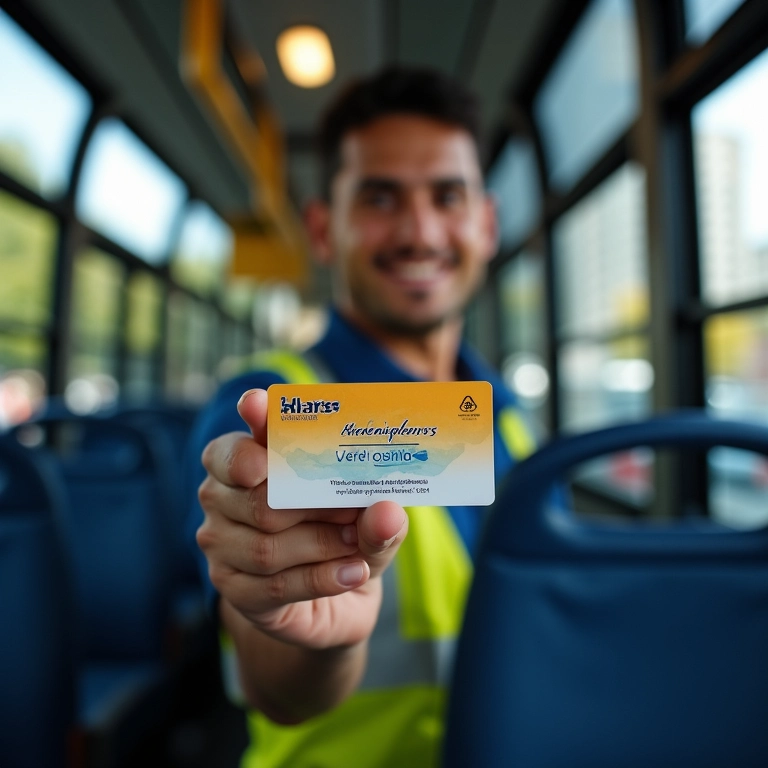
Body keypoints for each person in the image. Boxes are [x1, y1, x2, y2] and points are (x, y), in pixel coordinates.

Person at [187, 66, 536, 768]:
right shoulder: (267, 411)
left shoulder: (513, 418)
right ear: (322, 229)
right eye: (380, 198)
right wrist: (310, 635)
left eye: (448, 196)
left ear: (488, 223)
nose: (419, 231)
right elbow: (273, 681)